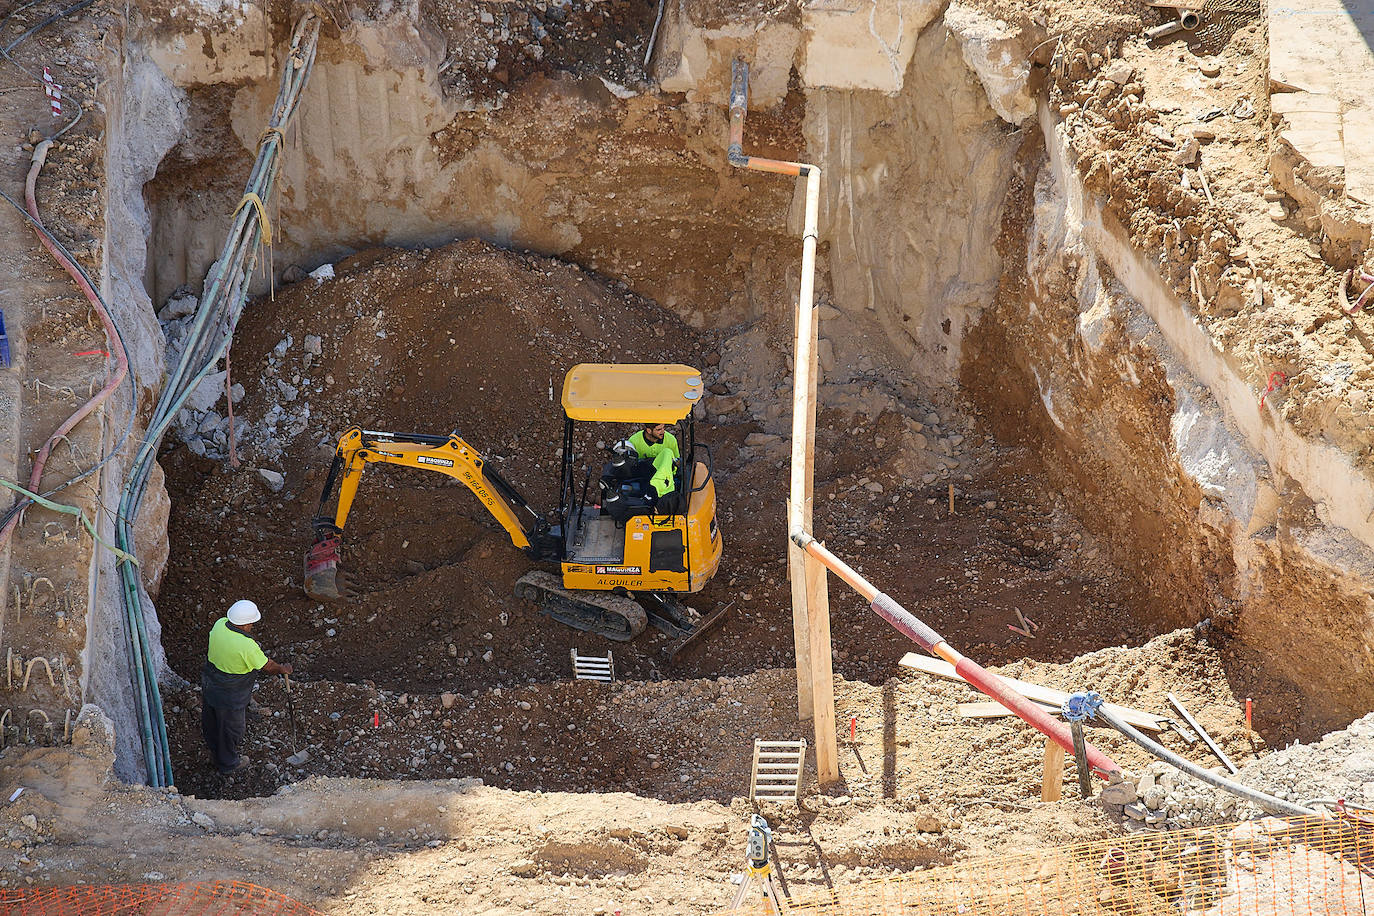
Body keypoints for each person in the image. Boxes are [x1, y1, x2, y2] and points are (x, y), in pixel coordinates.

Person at [201, 599, 292, 775]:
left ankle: (214, 751)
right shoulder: (247, 646)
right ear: (245, 624)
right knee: (230, 728)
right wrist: (283, 669)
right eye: (251, 623)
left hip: (211, 682)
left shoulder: (220, 624)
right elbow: (268, 667)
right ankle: (228, 764)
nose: (252, 626)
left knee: (211, 719)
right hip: (230, 693)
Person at [627, 421, 680, 501]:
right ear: (649, 431)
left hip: (666, 477)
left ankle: (655, 489)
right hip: (643, 475)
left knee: (668, 452)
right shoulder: (634, 441)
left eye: (663, 428)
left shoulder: (671, 440)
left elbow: (676, 461)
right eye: (659, 429)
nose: (663, 431)